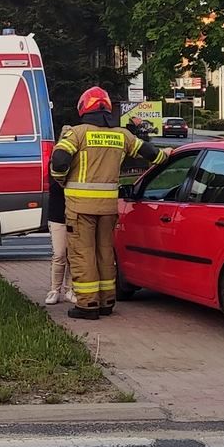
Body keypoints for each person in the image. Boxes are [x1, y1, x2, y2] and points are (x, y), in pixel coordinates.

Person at [50, 86, 167, 319]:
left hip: (80, 208)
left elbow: (60, 160)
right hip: (108, 207)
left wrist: (62, 181)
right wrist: (167, 155)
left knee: (83, 254)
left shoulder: (77, 133)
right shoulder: (121, 135)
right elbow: (151, 153)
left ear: (84, 108)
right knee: (105, 252)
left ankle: (87, 305)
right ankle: (107, 301)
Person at [43, 173, 71, 305]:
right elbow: (55, 187)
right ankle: (55, 290)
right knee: (59, 254)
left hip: (75, 214)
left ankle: (70, 290)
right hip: (57, 216)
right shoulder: (56, 163)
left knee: (73, 254)